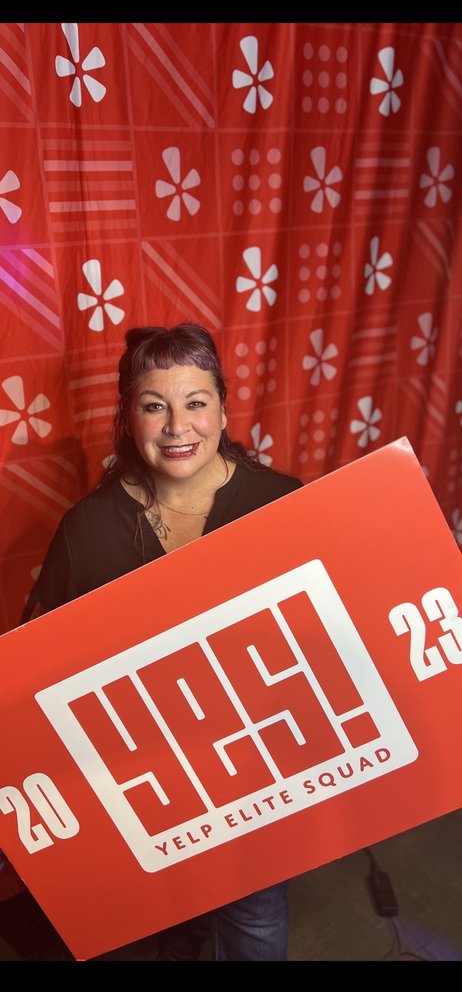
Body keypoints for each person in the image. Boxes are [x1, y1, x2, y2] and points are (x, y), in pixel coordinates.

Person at [22, 323, 303, 961]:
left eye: (195, 402)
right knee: (176, 918)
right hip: (150, 779)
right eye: (155, 406)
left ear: (223, 409)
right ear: (129, 418)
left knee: (255, 917)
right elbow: (47, 667)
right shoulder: (86, 529)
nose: (178, 426)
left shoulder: (284, 503)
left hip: (259, 769)